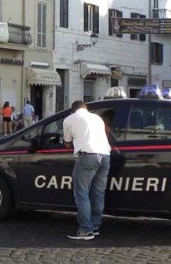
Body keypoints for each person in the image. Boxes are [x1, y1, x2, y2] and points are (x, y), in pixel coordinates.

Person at [63, 100, 111, 240]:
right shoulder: (97, 118)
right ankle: (95, 225)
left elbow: (67, 142)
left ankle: (85, 229)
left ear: (73, 110)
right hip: (106, 156)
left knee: (82, 192)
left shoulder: (70, 119)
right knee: (98, 192)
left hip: (88, 156)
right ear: (85, 108)